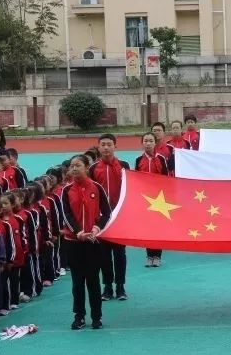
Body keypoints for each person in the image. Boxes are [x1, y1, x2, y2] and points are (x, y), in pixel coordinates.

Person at [62, 155, 112, 330]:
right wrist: (78, 232)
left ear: (87, 167)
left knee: (93, 281)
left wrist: (97, 229)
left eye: (78, 165)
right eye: (72, 166)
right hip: (74, 242)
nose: (74, 169)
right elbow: (66, 215)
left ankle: (96, 317)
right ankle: (79, 316)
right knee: (77, 282)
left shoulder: (97, 188)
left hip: (93, 242)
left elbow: (107, 213)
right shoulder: (66, 190)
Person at [90, 133, 128, 301]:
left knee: (120, 254)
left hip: (120, 216)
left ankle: (120, 287)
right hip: (102, 218)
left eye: (109, 144)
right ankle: (107, 287)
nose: (106, 147)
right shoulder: (93, 168)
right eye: (103, 144)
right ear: (98, 147)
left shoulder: (124, 166)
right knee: (103, 254)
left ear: (115, 146)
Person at [135, 132, 172, 267]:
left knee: (157, 228)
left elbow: (167, 179)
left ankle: (157, 256)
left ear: (155, 143)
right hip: (145, 199)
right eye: (146, 141)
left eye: (151, 141)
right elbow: (136, 180)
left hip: (160, 199)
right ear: (142, 143)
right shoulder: (138, 160)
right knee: (147, 228)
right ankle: (149, 256)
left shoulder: (161, 159)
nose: (148, 143)